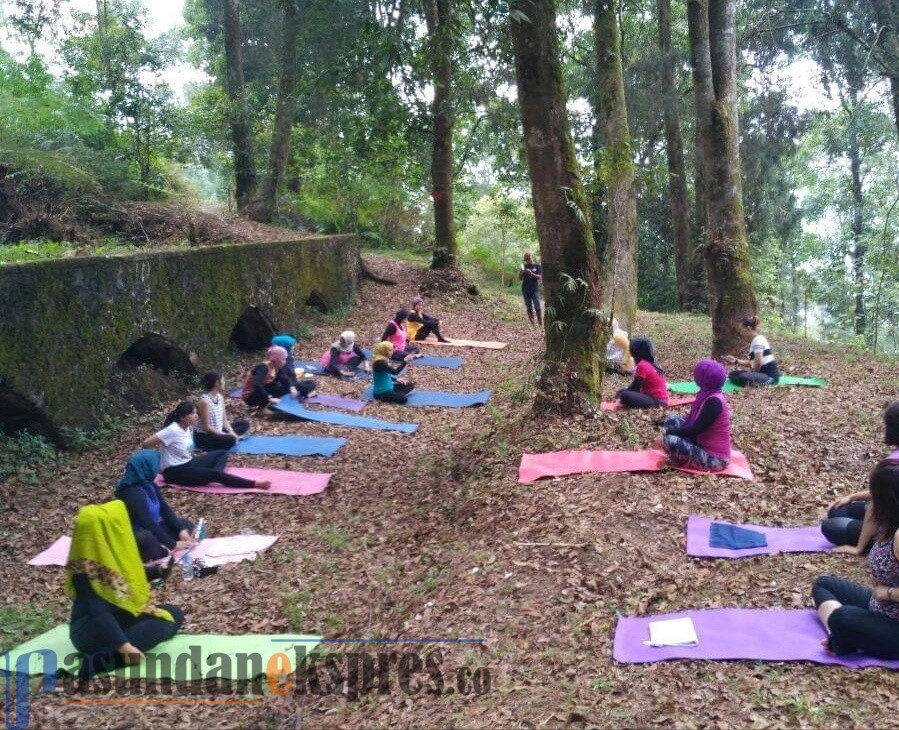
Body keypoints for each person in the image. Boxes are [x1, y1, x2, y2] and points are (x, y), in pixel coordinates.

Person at [67, 500, 184, 679]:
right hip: (90, 631)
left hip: (118, 614)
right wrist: (124, 646)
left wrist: (157, 571)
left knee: (173, 613)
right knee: (163, 624)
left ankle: (119, 647)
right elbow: (99, 613)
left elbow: (125, 576)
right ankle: (101, 661)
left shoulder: (108, 555)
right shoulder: (83, 571)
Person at [812, 461, 899, 659]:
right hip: (882, 608)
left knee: (842, 616)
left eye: (874, 493)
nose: (870, 498)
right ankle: (843, 638)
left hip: (894, 625)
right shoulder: (888, 524)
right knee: (823, 584)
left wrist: (888, 592)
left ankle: (845, 637)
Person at [822, 401, 899, 554]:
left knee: (830, 526)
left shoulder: (890, 466)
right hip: (890, 512)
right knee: (838, 510)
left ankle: (880, 545)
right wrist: (852, 497)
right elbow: (888, 492)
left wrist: (858, 547)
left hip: (892, 529)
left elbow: (875, 506)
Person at [142, 401, 270, 489]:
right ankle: (254, 484)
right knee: (216, 475)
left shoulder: (187, 428)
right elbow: (146, 443)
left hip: (189, 463)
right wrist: (158, 462)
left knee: (222, 453)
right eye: (192, 414)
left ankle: (211, 475)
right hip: (175, 472)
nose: (196, 416)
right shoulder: (172, 430)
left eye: (196, 413)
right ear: (182, 417)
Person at [114, 450, 197, 561]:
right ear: (147, 467)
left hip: (153, 529)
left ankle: (163, 546)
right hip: (138, 535)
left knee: (185, 524)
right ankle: (162, 549)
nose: (157, 469)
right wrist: (173, 544)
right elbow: (147, 524)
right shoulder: (132, 493)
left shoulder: (149, 484)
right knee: (146, 540)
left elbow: (165, 509)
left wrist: (181, 530)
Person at [660, 360, 731, 471]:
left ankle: (678, 455)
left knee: (670, 440)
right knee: (672, 418)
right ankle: (679, 453)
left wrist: (667, 433)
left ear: (704, 379)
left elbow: (696, 429)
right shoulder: (708, 394)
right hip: (700, 443)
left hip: (716, 459)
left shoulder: (714, 401)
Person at [195, 371, 250, 450]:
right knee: (231, 440)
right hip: (205, 436)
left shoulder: (220, 397)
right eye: (223, 380)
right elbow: (206, 427)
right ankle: (228, 438)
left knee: (245, 424)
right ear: (217, 383)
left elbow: (224, 420)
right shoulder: (204, 402)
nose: (224, 382)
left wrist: (232, 432)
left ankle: (230, 437)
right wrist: (225, 435)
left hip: (218, 429)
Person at [725, 315, 780, 387]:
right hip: (761, 374)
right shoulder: (755, 341)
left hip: (770, 376)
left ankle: (765, 382)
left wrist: (753, 374)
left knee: (743, 377)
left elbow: (758, 363)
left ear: (748, 328)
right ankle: (753, 380)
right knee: (733, 374)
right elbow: (753, 362)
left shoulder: (758, 340)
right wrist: (736, 361)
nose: (741, 333)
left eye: (742, 330)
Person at [616, 337, 669, 409]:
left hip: (658, 401)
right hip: (657, 398)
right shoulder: (650, 363)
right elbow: (635, 385)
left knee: (624, 395)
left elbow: (636, 388)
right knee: (621, 392)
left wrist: (622, 396)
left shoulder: (642, 365)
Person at [519, 252, 542, 326]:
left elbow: (539, 277)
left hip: (535, 289)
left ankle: (540, 324)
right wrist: (522, 272)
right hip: (525, 289)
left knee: (537, 306)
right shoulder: (524, 266)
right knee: (529, 306)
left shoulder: (537, 266)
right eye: (526, 259)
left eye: (529, 258)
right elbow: (519, 278)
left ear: (532, 257)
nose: (528, 260)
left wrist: (531, 273)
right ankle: (533, 324)